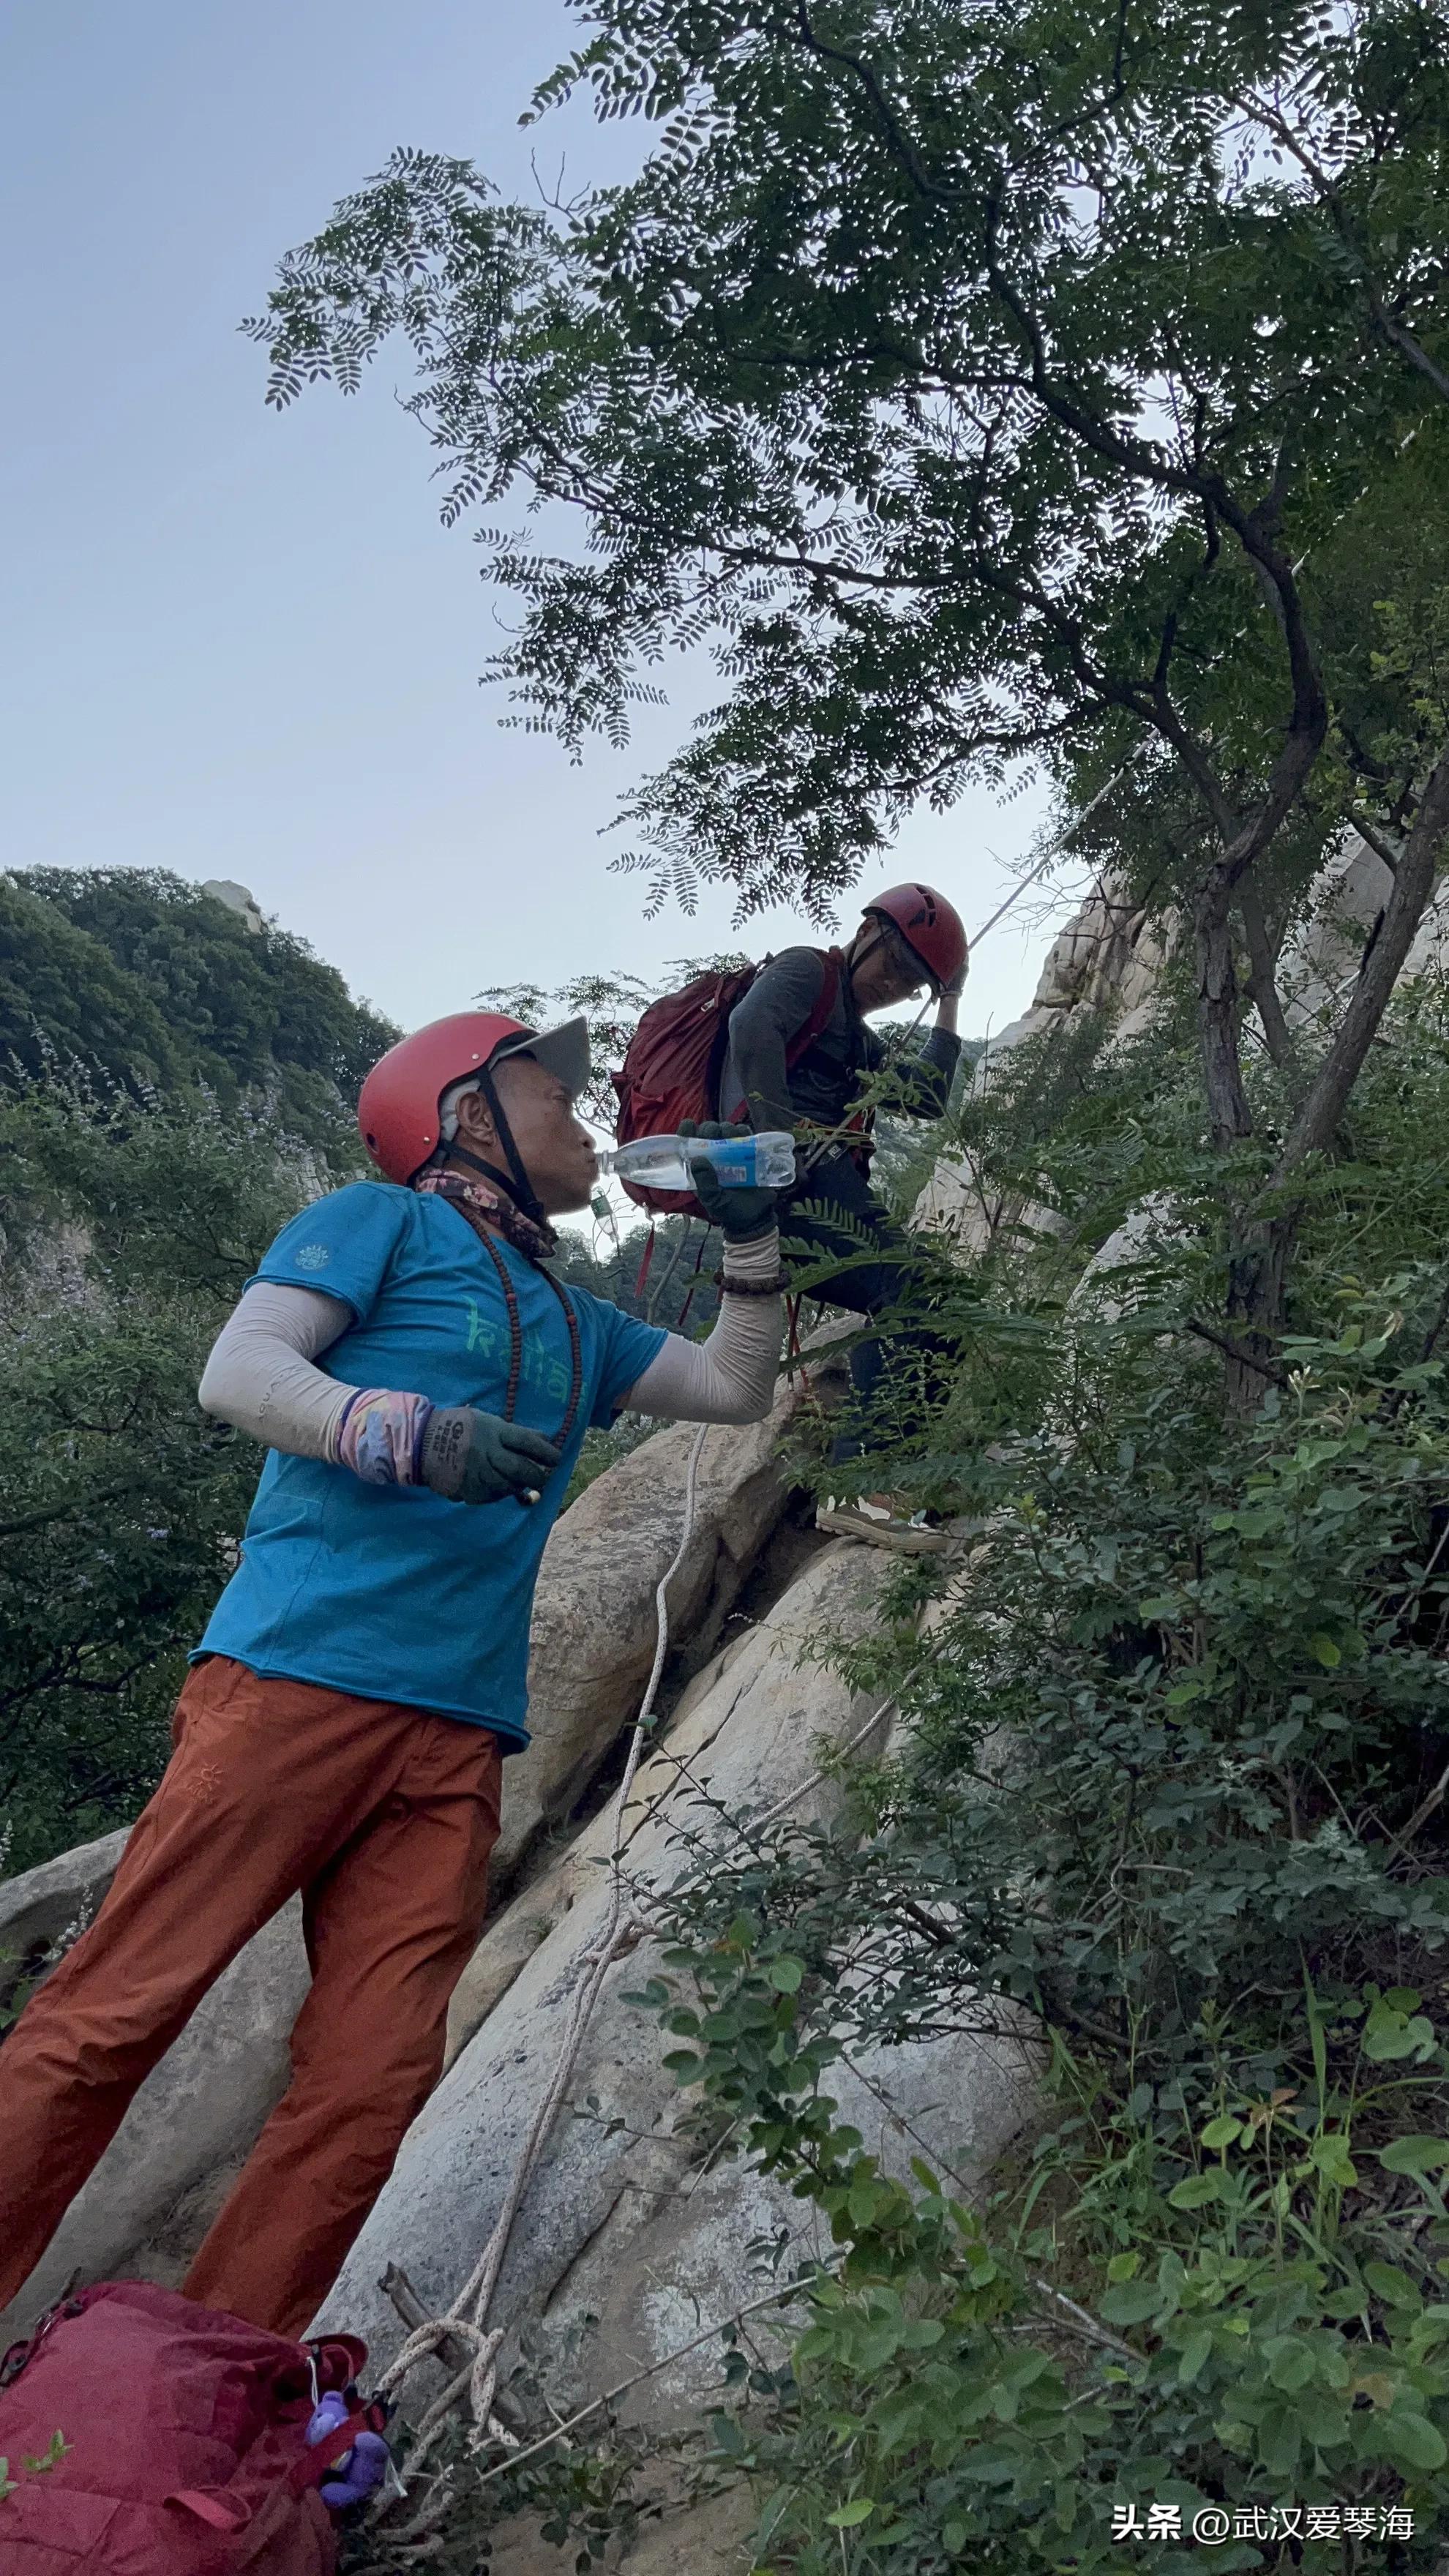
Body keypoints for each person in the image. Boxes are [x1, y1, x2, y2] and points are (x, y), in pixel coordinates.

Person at [0, 1011, 787, 2342]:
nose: (584, 1118)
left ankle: (203, 2388)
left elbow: (733, 1388)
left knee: (371, 2084)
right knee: (111, 2020)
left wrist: (754, 1243)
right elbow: (241, 1370)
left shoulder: (577, 1319)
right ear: (469, 1114)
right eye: (552, 1093)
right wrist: (403, 1432)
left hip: (458, 1734)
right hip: (296, 1681)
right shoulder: (380, 1222)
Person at [718, 880, 967, 1551]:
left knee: (944, 1301)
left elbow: (926, 1098)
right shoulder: (807, 970)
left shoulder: (858, 1041)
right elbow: (750, 1026)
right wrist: (778, 1142)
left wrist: (949, 1000)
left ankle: (892, 1477)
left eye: (912, 984)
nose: (895, 985)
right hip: (784, 1190)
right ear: (866, 933)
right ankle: (860, 1485)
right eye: (895, 964)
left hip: (813, 1190)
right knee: (915, 1290)